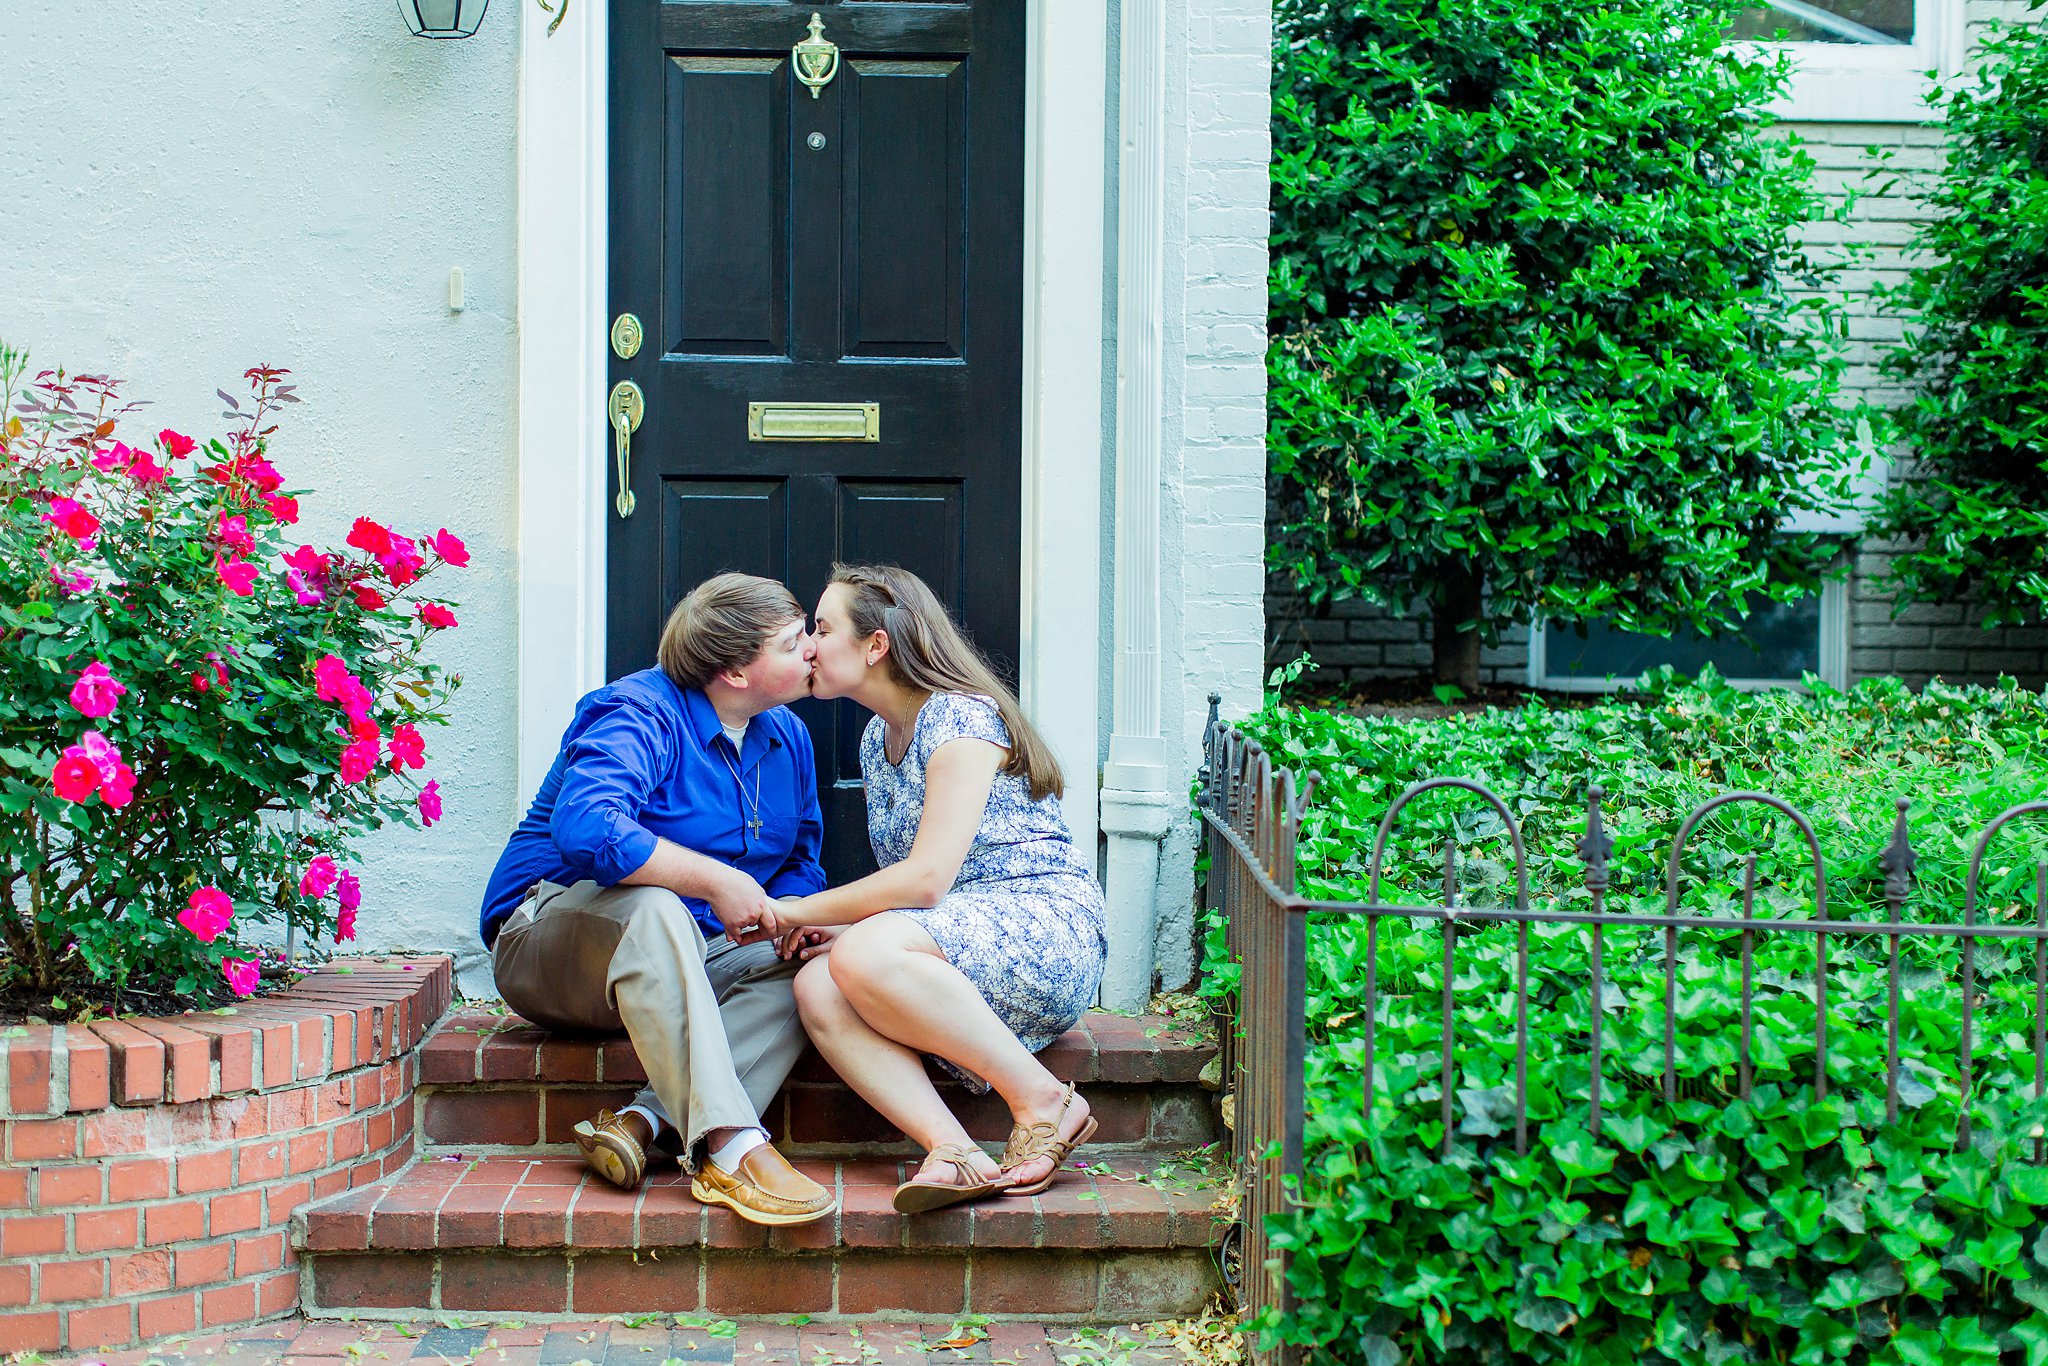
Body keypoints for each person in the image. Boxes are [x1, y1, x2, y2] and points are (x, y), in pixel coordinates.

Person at [476, 572, 835, 1226]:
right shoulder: (636, 710)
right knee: (656, 904)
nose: (813, 647)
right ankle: (731, 1149)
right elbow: (588, 828)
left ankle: (644, 1120)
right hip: (553, 948)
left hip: (687, 964)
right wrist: (719, 882)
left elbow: (800, 859)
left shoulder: (787, 737)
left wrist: (789, 918)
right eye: (792, 642)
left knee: (816, 966)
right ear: (732, 672)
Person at [769, 564, 1108, 1213]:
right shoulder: (877, 740)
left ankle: (1042, 1100)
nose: (808, 644)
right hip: (963, 937)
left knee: (861, 954)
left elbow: (924, 881)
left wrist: (794, 911)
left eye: (822, 627)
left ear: (876, 645)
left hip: (1043, 931)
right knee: (818, 983)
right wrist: (838, 929)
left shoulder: (959, 716)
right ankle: (954, 1151)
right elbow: (918, 893)